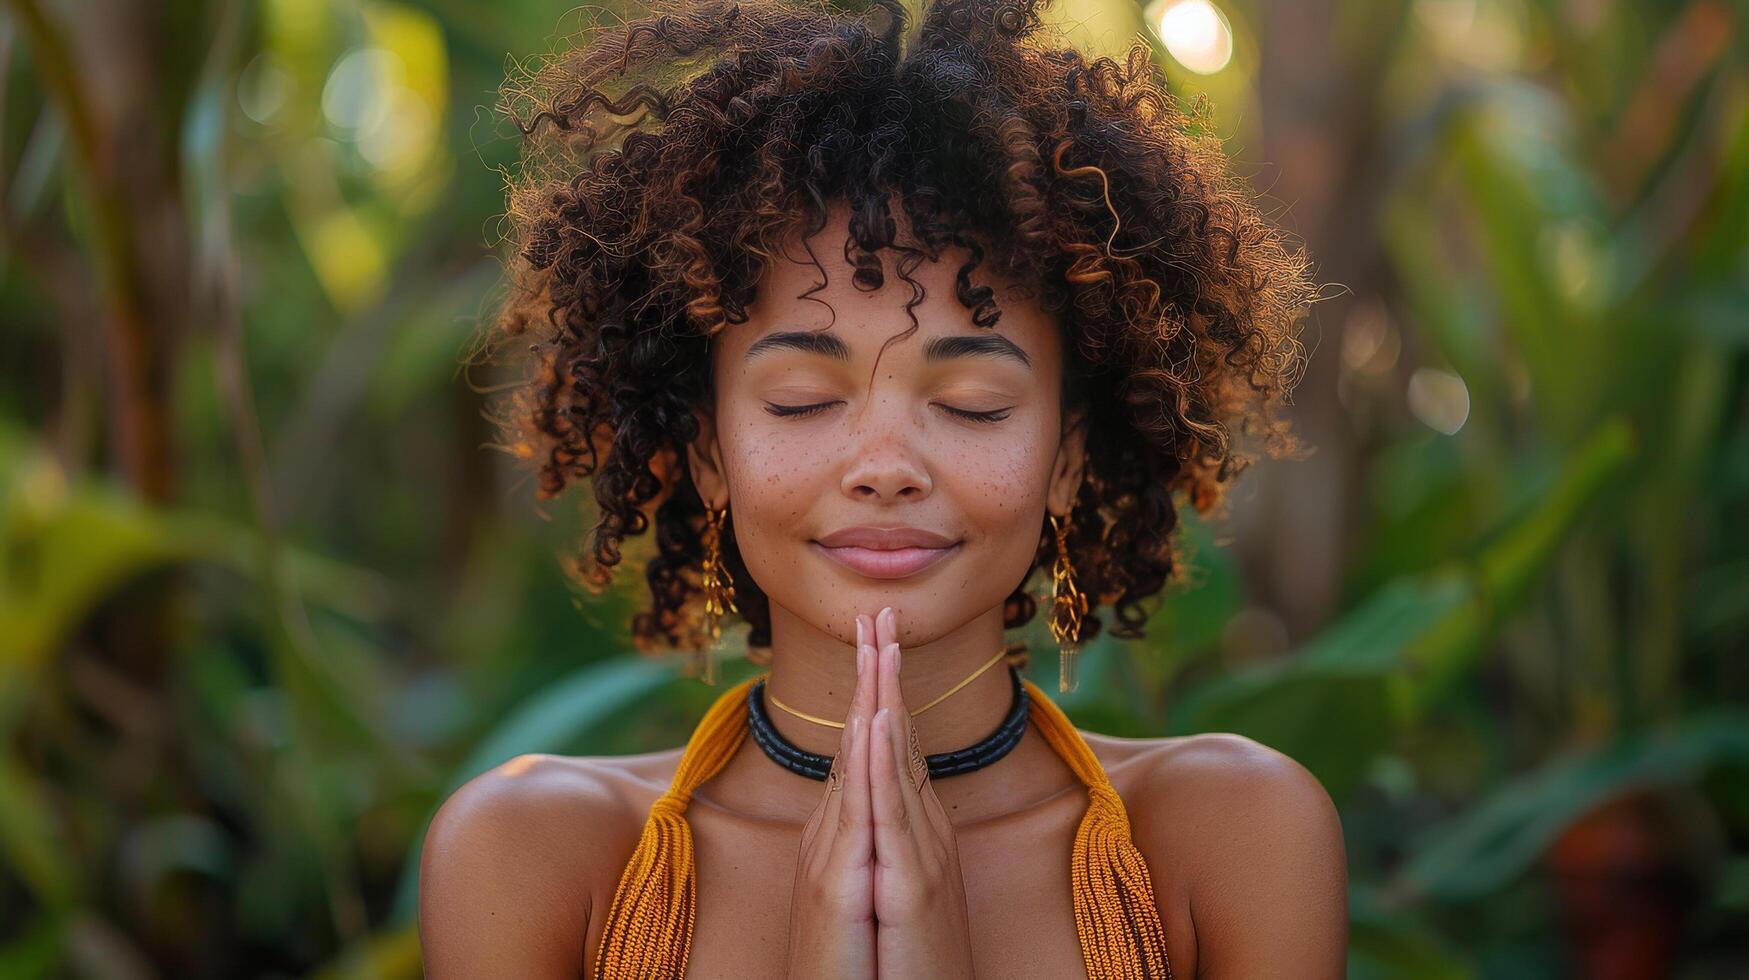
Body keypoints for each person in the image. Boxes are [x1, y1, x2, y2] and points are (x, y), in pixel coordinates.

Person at [419, 0, 1346, 976]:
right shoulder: (534, 859)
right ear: (705, 449)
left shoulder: (1228, 842)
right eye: (803, 397)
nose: (885, 463)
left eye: (976, 400)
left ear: (1068, 453)